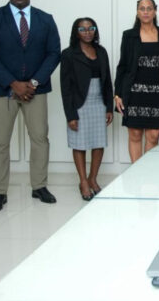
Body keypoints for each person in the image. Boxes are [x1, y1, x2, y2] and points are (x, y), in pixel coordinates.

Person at [0, 0, 61, 213]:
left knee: (40, 138)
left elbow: (54, 53)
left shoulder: (45, 19)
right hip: (4, 89)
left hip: (36, 90)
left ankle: (39, 186)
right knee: (0, 141)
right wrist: (13, 83)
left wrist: (33, 82)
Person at [114, 0, 159, 163]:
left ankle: (147, 172)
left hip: (157, 93)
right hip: (133, 93)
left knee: (153, 135)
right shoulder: (129, 35)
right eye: (142, 8)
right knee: (135, 134)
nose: (146, 12)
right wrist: (118, 94)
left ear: (155, 11)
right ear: (137, 12)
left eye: (149, 8)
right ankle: (136, 173)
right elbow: (122, 66)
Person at [60, 18, 114, 201]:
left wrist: (109, 107)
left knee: (99, 143)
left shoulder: (101, 51)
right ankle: (83, 181)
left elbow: (107, 81)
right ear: (76, 32)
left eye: (91, 28)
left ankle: (93, 178)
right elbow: (65, 87)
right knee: (79, 144)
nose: (87, 32)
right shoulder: (68, 54)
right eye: (82, 29)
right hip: (79, 104)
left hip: (99, 102)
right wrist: (70, 114)